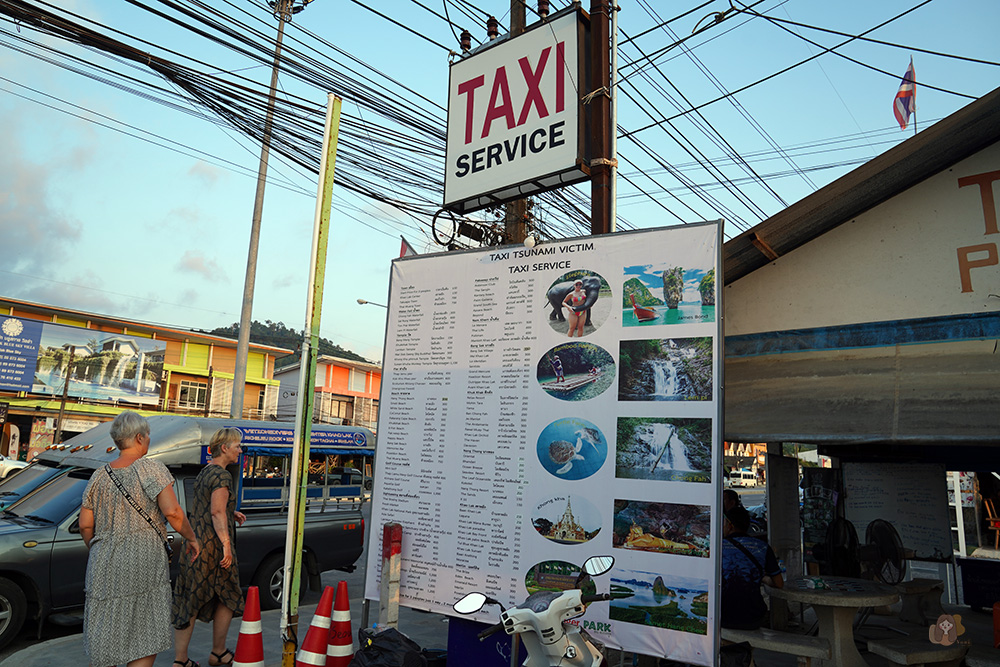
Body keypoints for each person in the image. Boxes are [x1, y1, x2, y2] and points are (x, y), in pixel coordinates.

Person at [79, 411, 200, 667]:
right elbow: (173, 513)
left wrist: (100, 546)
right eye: (148, 436)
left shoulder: (99, 475)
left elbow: (85, 525)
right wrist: (191, 538)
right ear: (139, 437)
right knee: (144, 626)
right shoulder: (150, 468)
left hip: (103, 558)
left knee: (105, 626)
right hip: (143, 554)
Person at [172, 428, 247, 667]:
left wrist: (229, 512)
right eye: (237, 446)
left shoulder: (206, 471)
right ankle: (218, 652)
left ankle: (180, 660)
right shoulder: (223, 476)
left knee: (190, 598)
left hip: (194, 542)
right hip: (213, 546)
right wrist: (226, 545)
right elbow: (215, 511)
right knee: (229, 595)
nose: (240, 450)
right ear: (224, 448)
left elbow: (209, 506)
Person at [720, 504, 783, 630]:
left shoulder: (718, 548)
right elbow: (779, 583)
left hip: (722, 614)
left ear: (730, 524)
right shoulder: (763, 547)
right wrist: (764, 578)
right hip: (753, 615)